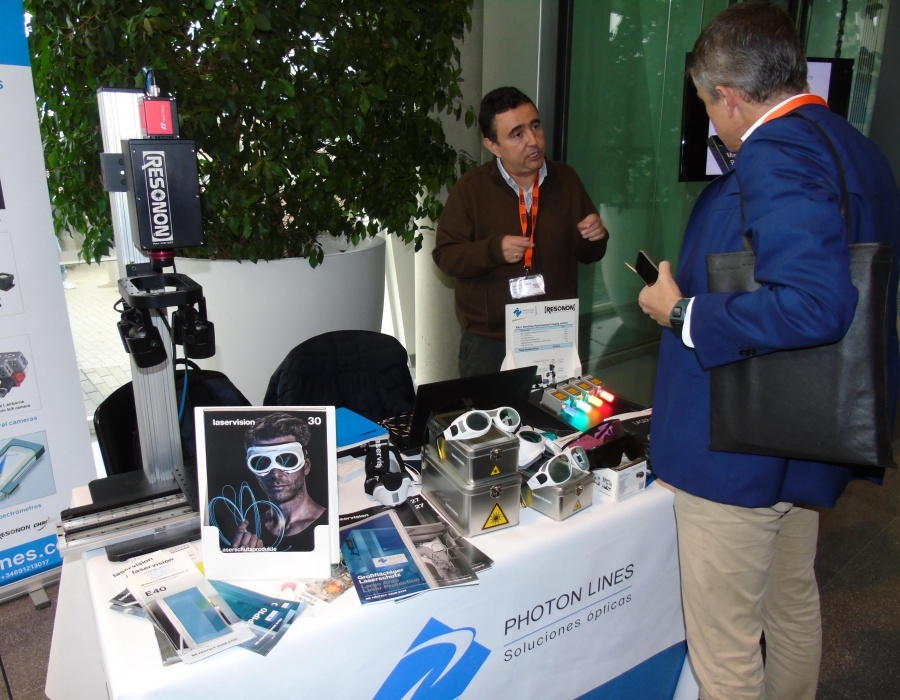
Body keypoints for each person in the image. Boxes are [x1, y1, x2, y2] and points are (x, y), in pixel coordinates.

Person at [638, 4, 900, 699]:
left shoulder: (776, 150)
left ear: (728, 95)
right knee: (791, 605)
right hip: (804, 432)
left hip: (738, 448)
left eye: (706, 104)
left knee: (726, 654)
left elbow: (816, 302)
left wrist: (682, 312)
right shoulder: (854, 147)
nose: (711, 121)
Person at [433, 86, 609, 377]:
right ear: (493, 145)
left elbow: (590, 253)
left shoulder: (566, 179)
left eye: (535, 126)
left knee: (555, 408)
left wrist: (594, 236)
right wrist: (494, 250)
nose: (533, 141)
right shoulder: (471, 189)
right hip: (491, 342)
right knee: (491, 408)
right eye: (517, 134)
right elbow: (446, 257)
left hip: (555, 333)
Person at [230, 412, 328, 552]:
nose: (275, 474)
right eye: (262, 463)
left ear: (305, 466)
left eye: (287, 460)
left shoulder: (331, 524)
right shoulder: (247, 534)